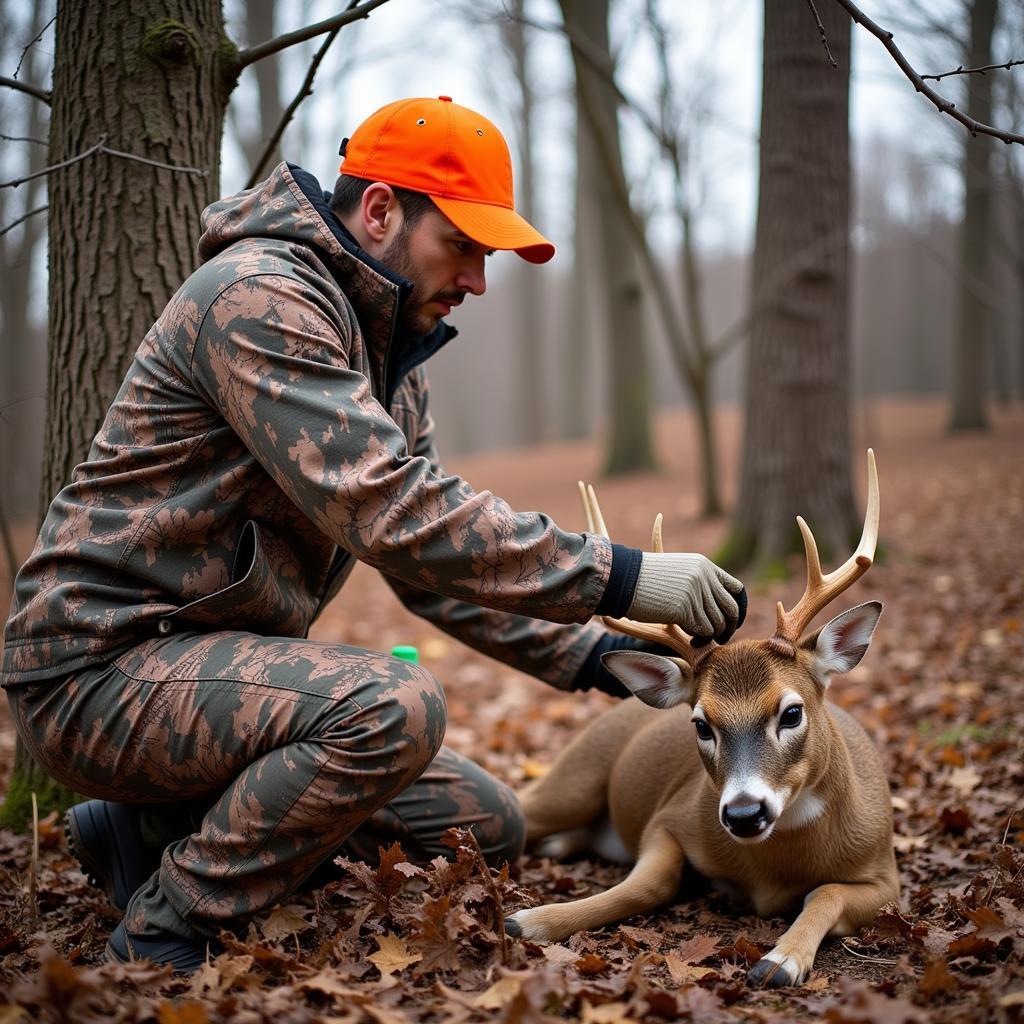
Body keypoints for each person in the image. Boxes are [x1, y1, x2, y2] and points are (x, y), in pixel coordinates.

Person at [2, 96, 746, 972]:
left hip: (205, 674)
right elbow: (392, 509)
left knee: (488, 827)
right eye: (462, 246)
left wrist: (594, 654)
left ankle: (147, 831)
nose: (477, 280)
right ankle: (169, 924)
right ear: (382, 210)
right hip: (99, 670)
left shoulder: (388, 359)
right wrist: (621, 575)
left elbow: (427, 573)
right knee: (392, 704)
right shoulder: (262, 298)